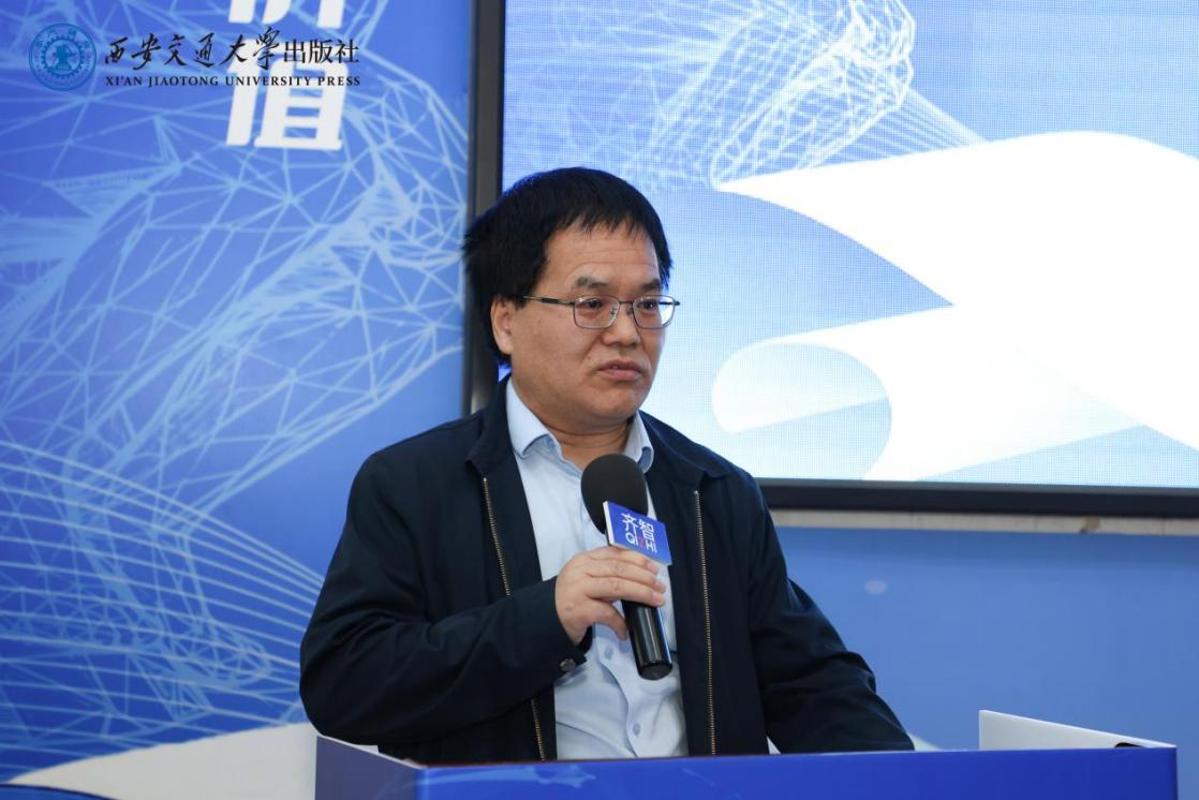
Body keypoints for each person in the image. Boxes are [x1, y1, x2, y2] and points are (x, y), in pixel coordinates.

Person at [299, 167, 911, 763]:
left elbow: (810, 683)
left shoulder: (713, 491)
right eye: (592, 304)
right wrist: (546, 619)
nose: (627, 333)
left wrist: (917, 780)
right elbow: (346, 684)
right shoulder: (415, 484)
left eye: (647, 304)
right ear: (506, 320)